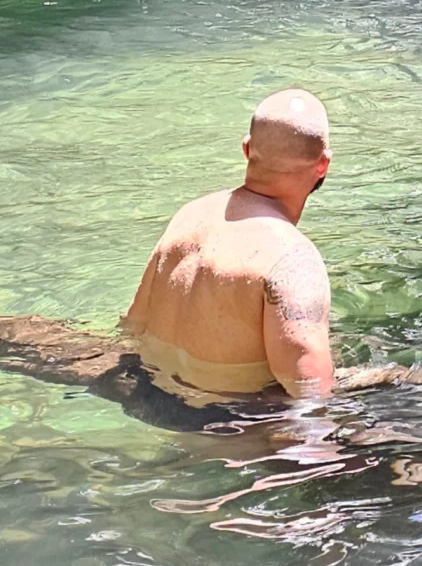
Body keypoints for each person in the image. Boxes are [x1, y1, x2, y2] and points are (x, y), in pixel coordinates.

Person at [122, 87, 336, 404]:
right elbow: (312, 395)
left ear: (247, 149)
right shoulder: (292, 259)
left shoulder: (188, 216)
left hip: (153, 399)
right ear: (323, 165)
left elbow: (132, 329)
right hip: (228, 427)